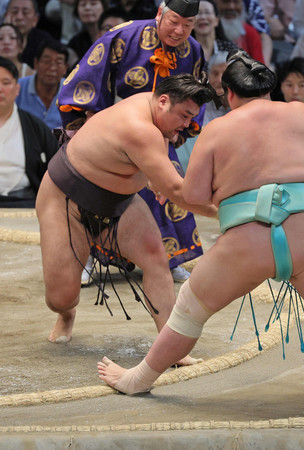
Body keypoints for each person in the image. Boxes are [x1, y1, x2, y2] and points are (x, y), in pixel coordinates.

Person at [97, 50, 304, 420]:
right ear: (270, 89)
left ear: (229, 94)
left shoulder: (218, 128)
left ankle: (138, 379)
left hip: (245, 242)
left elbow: (192, 196)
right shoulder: (303, 113)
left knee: (189, 312)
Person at [36, 74, 217, 366]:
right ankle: (66, 315)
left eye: (191, 118)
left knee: (157, 257)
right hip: (66, 199)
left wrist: (151, 177)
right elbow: (175, 190)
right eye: (184, 116)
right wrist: (227, 211)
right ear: (163, 101)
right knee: (60, 297)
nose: (187, 125)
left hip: (120, 202)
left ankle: (170, 346)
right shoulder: (140, 128)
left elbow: (138, 162)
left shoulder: (153, 112)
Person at [58, 0, 208, 284]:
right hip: (114, 130)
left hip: (160, 134)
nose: (179, 31)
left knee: (170, 184)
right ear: (159, 13)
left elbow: (194, 98)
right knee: (97, 193)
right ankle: (88, 255)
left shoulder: (193, 51)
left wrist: (178, 129)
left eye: (187, 26)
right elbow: (88, 77)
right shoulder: (124, 36)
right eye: (173, 21)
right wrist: (88, 124)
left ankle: (168, 257)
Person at [0, 57, 58, 207]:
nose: (0, 89)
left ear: (17, 89)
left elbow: (56, 169)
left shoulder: (35, 127)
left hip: (25, 202)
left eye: (5, 83)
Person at [15, 39, 69, 130]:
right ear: (36, 63)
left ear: (65, 68)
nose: (52, 68)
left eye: (59, 63)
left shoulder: (72, 91)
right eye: (47, 61)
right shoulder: (18, 88)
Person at [3, 0, 53, 68]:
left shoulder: (44, 41)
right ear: (6, 15)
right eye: (14, 12)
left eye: (25, 12)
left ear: (35, 19)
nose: (19, 17)